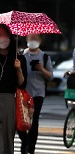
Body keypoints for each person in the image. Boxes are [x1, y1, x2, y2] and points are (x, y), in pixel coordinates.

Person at [18, 34, 53, 154]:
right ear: (26, 39)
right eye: (31, 38)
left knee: (34, 121)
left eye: (36, 39)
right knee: (20, 120)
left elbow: (50, 76)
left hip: (38, 93)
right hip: (23, 92)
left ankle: (30, 149)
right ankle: (25, 141)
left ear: (40, 41)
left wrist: (42, 69)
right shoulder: (21, 54)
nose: (33, 41)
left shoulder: (44, 56)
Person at [0, 24, 27, 154]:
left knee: (7, 134)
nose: (2, 39)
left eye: (5, 36)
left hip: (8, 99)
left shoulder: (18, 58)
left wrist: (18, 69)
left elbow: (22, 84)